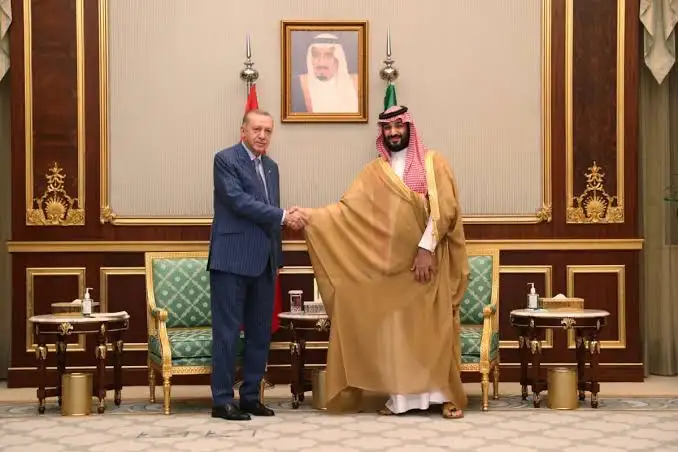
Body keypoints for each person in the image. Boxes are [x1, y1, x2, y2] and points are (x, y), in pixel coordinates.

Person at [299, 105, 469, 419]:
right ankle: (401, 400)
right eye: (387, 128)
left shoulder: (434, 163)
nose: (393, 132)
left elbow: (445, 210)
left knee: (433, 331)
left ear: (409, 128)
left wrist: (425, 250)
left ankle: (444, 396)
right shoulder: (375, 172)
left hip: (427, 266)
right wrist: (311, 217)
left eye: (398, 126)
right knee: (398, 335)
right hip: (391, 269)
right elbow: (347, 212)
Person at [208, 109, 307, 421]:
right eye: (257, 129)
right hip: (231, 260)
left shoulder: (272, 167)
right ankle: (222, 400)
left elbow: (269, 216)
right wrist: (284, 216)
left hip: (264, 262)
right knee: (226, 333)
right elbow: (239, 202)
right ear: (243, 131)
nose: (262, 136)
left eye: (268, 131)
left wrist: (277, 258)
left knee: (260, 334)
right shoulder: (225, 160)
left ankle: (250, 397)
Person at [291, 33, 359, 113]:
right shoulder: (297, 85)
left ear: (338, 58)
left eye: (329, 55)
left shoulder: (356, 84)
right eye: (315, 55)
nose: (321, 62)